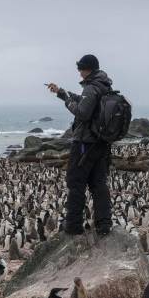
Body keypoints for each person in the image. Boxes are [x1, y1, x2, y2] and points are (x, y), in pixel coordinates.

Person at [47, 54, 113, 236]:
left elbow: (83, 112)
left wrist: (68, 102)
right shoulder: (104, 86)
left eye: (81, 69)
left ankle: (74, 226)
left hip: (85, 143)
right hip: (100, 144)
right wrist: (61, 92)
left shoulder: (92, 88)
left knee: (75, 182)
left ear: (88, 69)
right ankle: (104, 224)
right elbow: (85, 101)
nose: (79, 72)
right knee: (99, 183)